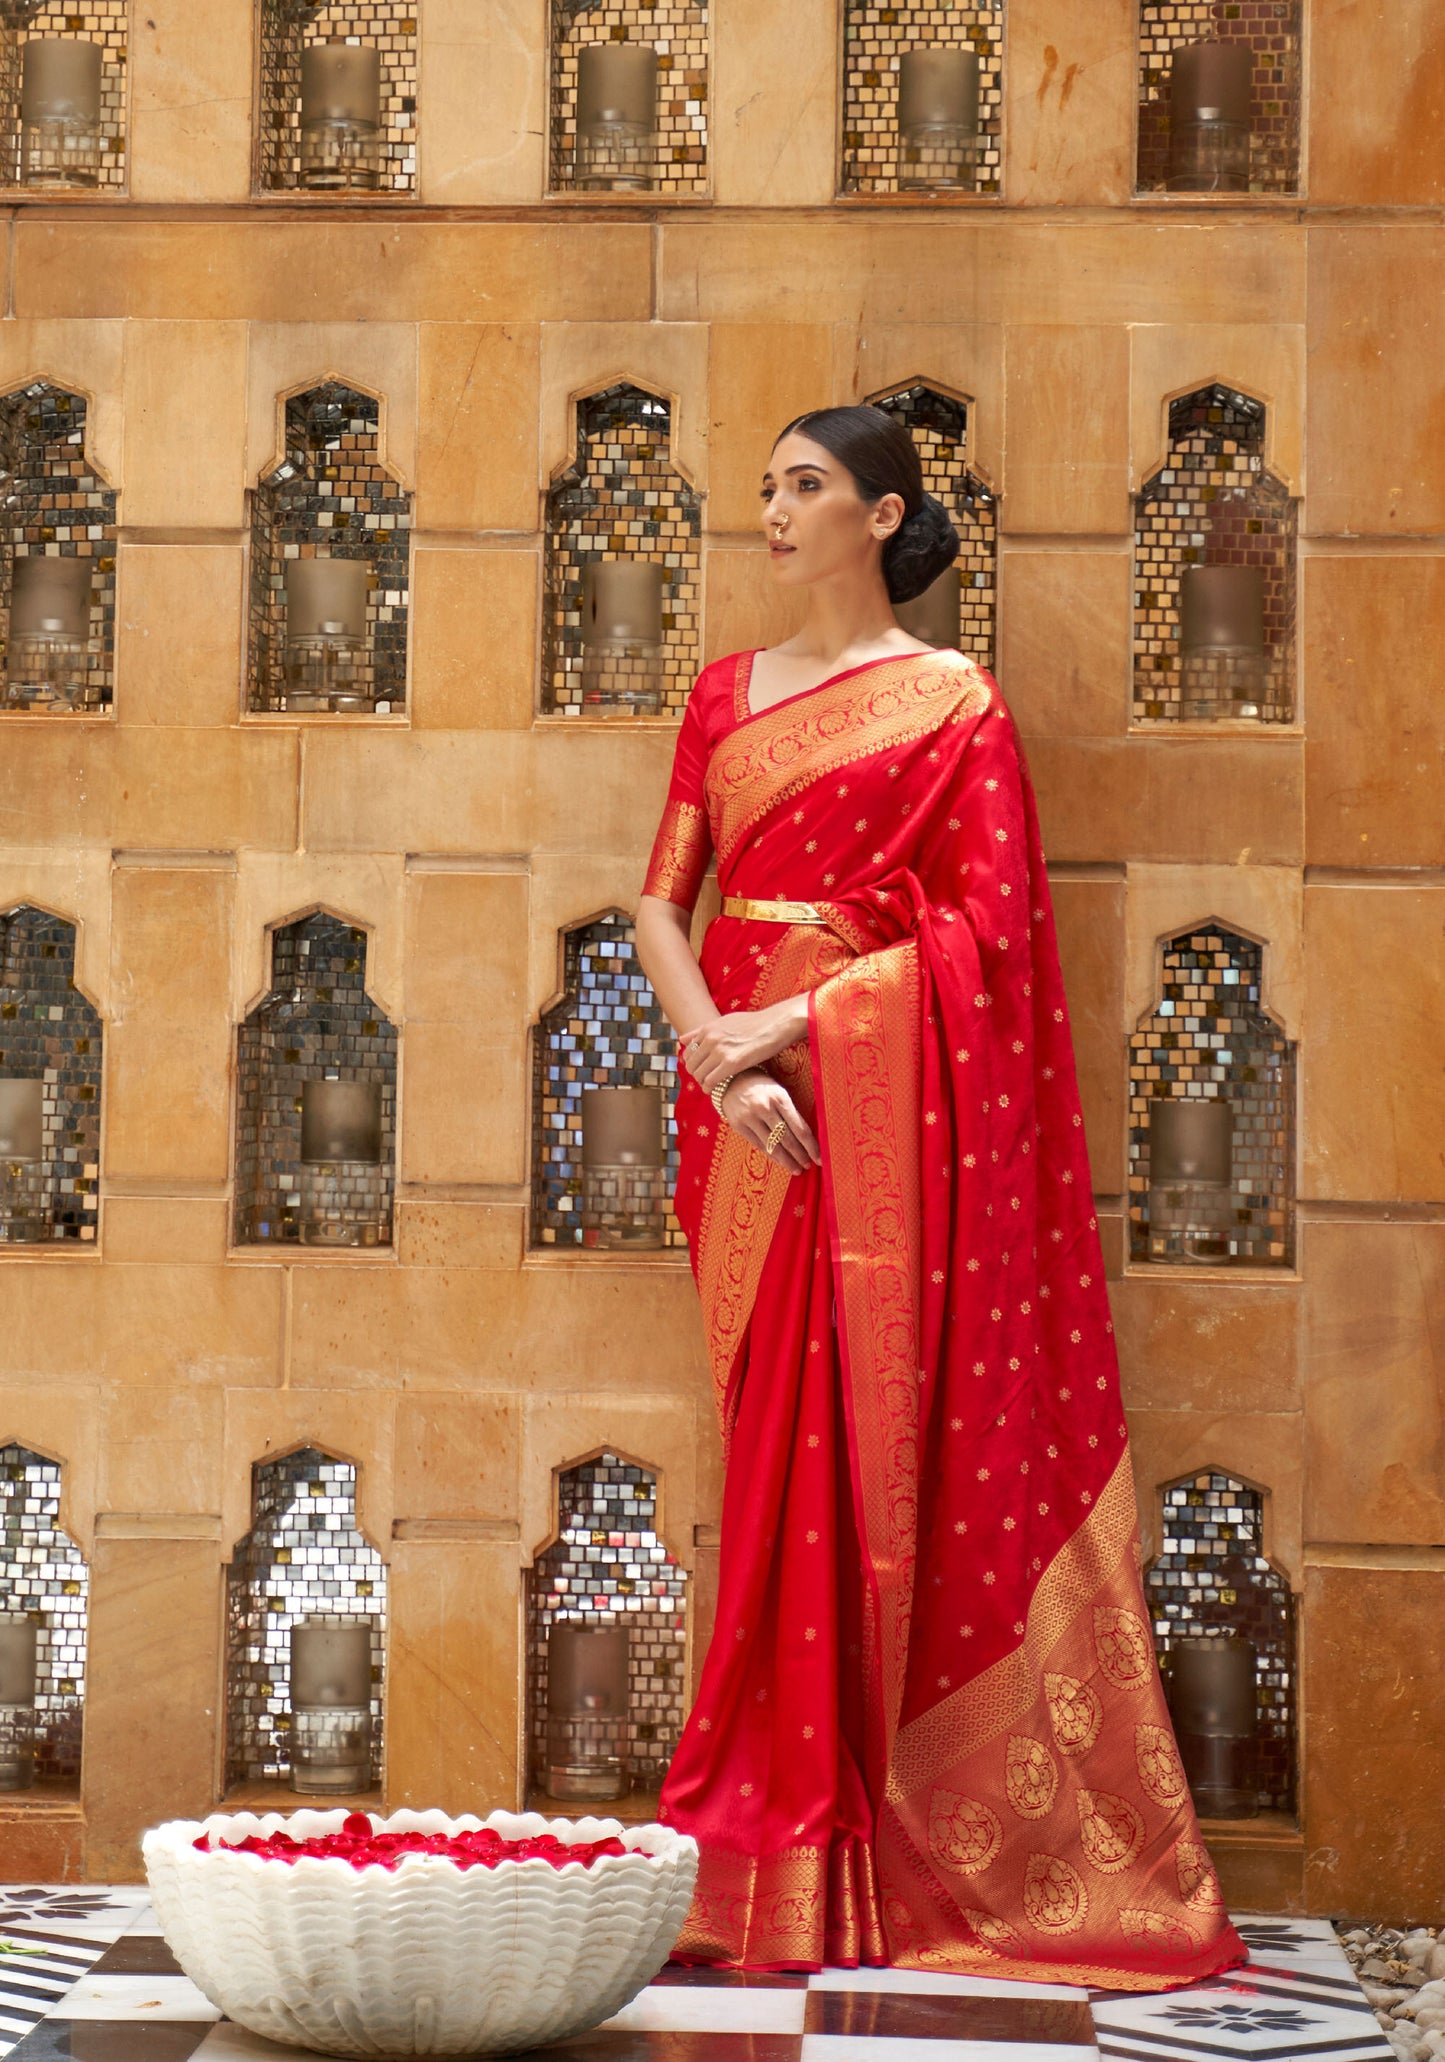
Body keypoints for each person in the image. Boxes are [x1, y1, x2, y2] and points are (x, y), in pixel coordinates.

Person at [633, 405, 1247, 1990]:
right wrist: (719, 1054)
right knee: (769, 1464)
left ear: (879, 513)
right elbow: (657, 902)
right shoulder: (721, 694)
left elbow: (990, 943)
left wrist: (807, 1028)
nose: (770, 509)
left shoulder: (951, 708)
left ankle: (858, 1847)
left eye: (803, 486)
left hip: (865, 1122)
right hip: (744, 1124)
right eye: (766, 486)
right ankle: (758, 1855)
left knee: (858, 1475)